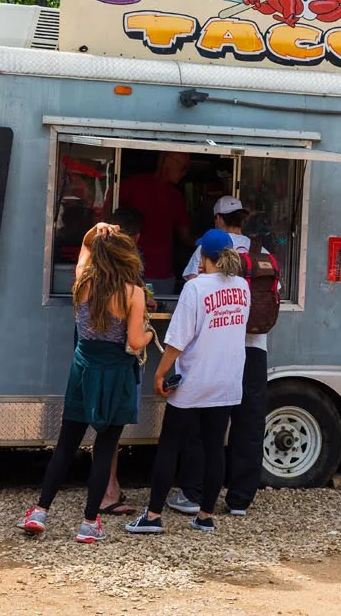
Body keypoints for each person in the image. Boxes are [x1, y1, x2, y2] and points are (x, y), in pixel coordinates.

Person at [18, 223, 153, 542]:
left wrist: (92, 232)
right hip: (116, 376)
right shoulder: (133, 294)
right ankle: (89, 523)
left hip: (82, 372)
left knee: (65, 445)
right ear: (126, 259)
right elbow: (134, 341)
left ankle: (40, 511)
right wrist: (149, 333)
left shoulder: (82, 285)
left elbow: (84, 249)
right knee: (104, 449)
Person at [126, 229, 249, 534]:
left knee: (169, 446)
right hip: (228, 380)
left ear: (205, 257)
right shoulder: (243, 287)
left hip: (194, 380)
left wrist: (159, 373)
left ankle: (153, 516)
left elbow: (179, 340)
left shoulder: (195, 289)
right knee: (215, 448)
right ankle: (205, 515)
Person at [163, 196, 272, 517]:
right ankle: (240, 499)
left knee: (203, 424)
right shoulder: (261, 252)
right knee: (248, 424)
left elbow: (193, 287)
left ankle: (194, 493)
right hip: (255, 348)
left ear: (219, 220)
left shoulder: (210, 248)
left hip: (217, 349)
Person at [93, 207, 149, 517]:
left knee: (98, 432)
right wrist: (150, 337)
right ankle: (107, 492)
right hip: (118, 366)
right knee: (111, 433)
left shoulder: (88, 281)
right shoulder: (131, 288)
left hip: (90, 365)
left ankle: (103, 491)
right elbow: (135, 340)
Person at [117, 152, 193, 297]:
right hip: (130, 270)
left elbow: (186, 236)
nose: (184, 173)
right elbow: (109, 218)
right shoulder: (131, 186)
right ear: (167, 160)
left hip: (163, 274)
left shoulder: (175, 197)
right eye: (183, 167)